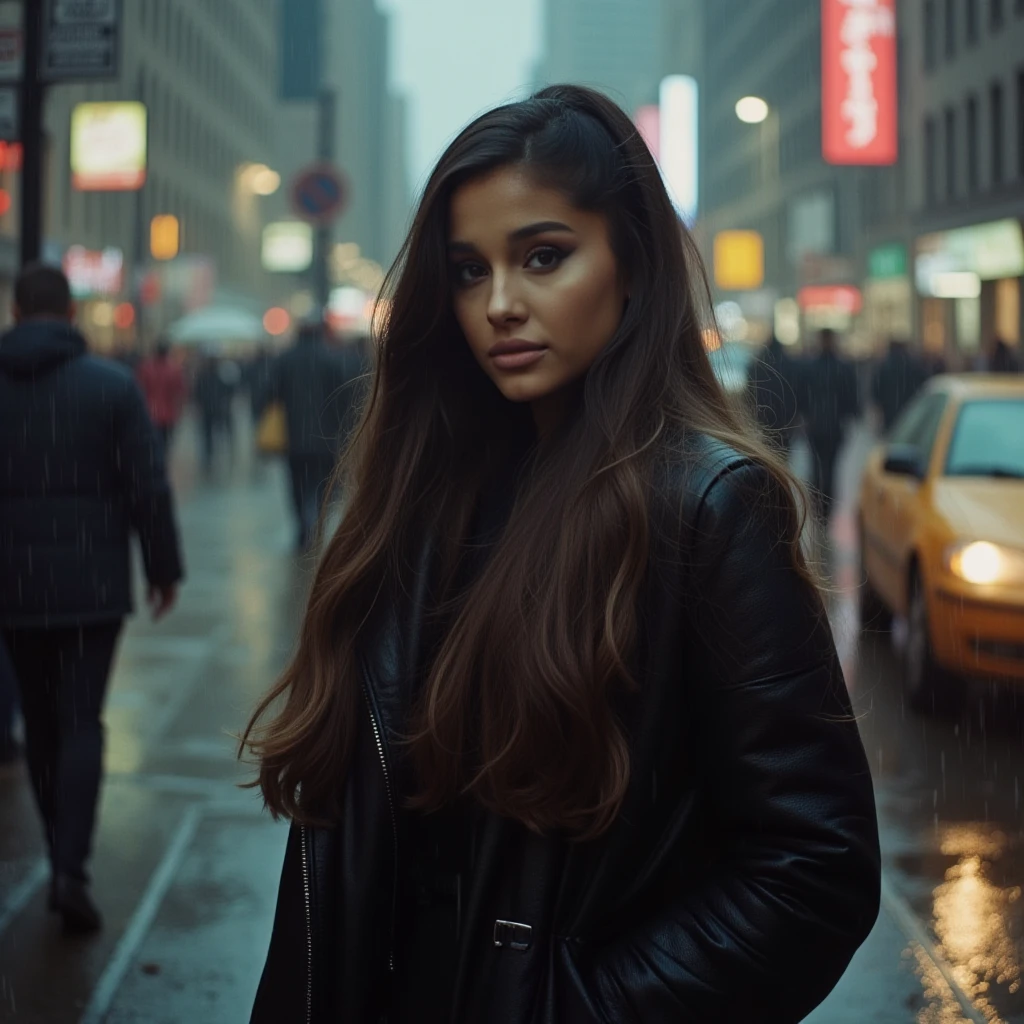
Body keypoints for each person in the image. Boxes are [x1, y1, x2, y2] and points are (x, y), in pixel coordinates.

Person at [243, 86, 880, 1023]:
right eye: (468, 270)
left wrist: (575, 1007)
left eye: (544, 256)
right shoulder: (425, 492)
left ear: (630, 259)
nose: (500, 305)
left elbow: (815, 869)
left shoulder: (707, 506)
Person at [0, 264, 184, 933]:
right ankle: (70, 867)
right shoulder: (110, 386)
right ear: (72, 313)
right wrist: (163, 568)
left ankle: (57, 846)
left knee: (40, 723)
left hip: (13, 585)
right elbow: (148, 485)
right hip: (90, 584)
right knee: (81, 720)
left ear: (17, 310)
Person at [258, 321, 368, 551]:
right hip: (325, 438)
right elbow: (346, 399)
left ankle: (302, 527)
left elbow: (269, 393)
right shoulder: (332, 359)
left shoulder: (285, 360)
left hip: (294, 438)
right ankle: (316, 522)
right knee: (322, 485)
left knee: (297, 484)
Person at [798, 327, 860, 519]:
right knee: (830, 467)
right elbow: (851, 399)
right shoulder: (842, 367)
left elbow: (801, 395)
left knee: (818, 466)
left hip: (818, 426)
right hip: (832, 427)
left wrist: (805, 416)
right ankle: (825, 504)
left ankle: (820, 503)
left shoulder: (810, 366)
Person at [745, 332, 800, 453]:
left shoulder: (758, 366)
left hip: (765, 414)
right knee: (783, 449)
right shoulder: (789, 365)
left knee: (768, 448)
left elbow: (750, 391)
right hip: (785, 415)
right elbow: (796, 391)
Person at [136, 338, 188, 452]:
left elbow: (139, 389)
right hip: (168, 414)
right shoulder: (175, 369)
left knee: (151, 444)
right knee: (165, 444)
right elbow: (180, 392)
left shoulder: (146, 368)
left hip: (150, 412)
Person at [870, 336, 928, 431]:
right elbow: (924, 385)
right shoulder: (912, 364)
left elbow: (876, 390)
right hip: (910, 408)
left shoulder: (884, 365)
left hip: (890, 410)